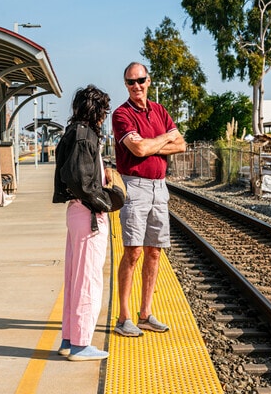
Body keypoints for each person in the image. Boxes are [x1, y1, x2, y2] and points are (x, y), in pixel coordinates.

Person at [111, 62, 186, 337]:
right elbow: (139, 148)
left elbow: (182, 144)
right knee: (133, 251)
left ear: (149, 80)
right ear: (126, 85)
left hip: (159, 187)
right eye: (131, 82)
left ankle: (145, 314)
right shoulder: (121, 115)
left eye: (140, 80)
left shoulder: (160, 111)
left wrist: (155, 141)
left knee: (154, 251)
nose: (136, 86)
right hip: (135, 187)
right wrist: (165, 137)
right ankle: (123, 317)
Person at [52, 84, 119, 361]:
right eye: (103, 109)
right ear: (96, 110)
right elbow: (81, 180)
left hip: (78, 213)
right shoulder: (85, 136)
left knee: (75, 278)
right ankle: (80, 344)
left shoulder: (73, 133)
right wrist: (105, 201)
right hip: (88, 215)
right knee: (88, 280)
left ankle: (70, 339)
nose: (104, 115)